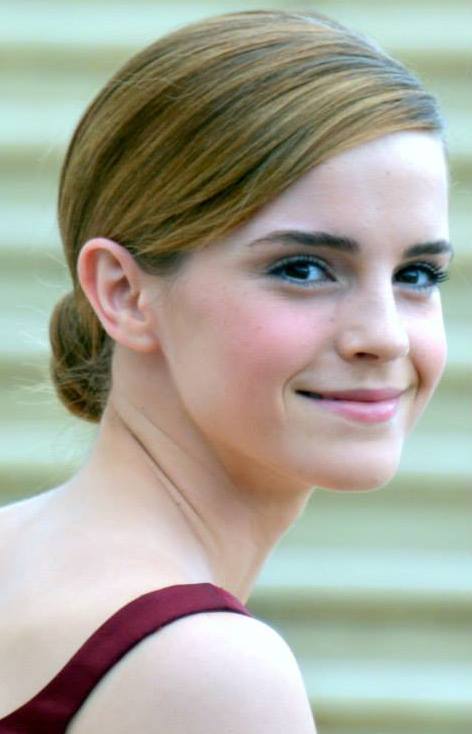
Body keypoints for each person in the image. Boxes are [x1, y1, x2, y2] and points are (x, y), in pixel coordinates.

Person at [0, 8, 453, 733]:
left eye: (418, 274)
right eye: (303, 268)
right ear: (123, 293)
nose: (385, 336)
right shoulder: (204, 668)